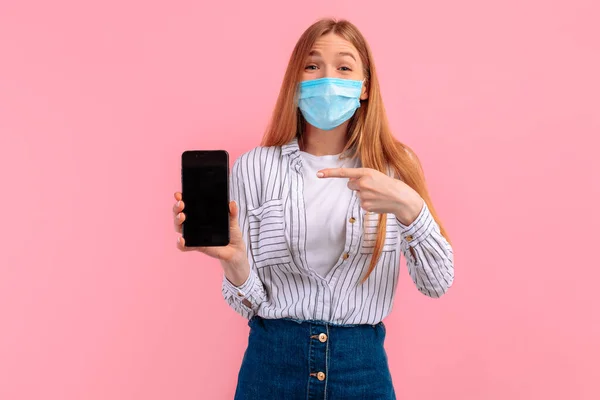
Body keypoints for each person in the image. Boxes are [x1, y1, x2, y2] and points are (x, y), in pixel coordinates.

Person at [173, 18, 454, 400]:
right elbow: (250, 304)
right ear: (296, 80)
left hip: (362, 372)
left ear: (364, 87)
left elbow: (437, 284)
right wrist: (236, 263)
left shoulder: (395, 167)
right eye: (312, 65)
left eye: (343, 66)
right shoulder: (255, 167)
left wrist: (409, 205)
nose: (327, 77)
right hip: (271, 368)